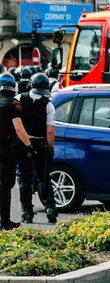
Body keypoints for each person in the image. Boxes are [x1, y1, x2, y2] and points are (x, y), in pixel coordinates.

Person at [16, 73, 57, 224]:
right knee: (44, 177)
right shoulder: (48, 104)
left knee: (24, 178)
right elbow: (50, 131)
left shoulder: (19, 99)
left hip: (23, 143)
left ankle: (27, 212)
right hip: (40, 144)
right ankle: (50, 208)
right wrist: (50, 148)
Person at [0, 73, 34, 230]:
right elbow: (19, 128)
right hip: (7, 150)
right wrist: (28, 145)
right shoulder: (14, 104)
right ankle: (5, 221)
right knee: (6, 185)